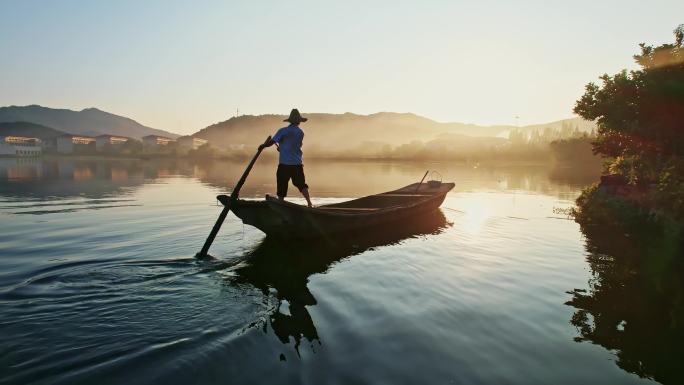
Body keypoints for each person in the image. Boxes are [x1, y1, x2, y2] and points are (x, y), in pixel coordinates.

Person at [260, 108, 313, 207]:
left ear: (290, 121)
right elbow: (296, 146)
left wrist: (263, 146)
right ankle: (309, 203)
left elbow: (271, 142)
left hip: (285, 164)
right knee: (301, 184)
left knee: (282, 185)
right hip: (297, 164)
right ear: (298, 122)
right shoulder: (300, 132)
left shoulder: (283, 131)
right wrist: (282, 148)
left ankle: (280, 205)